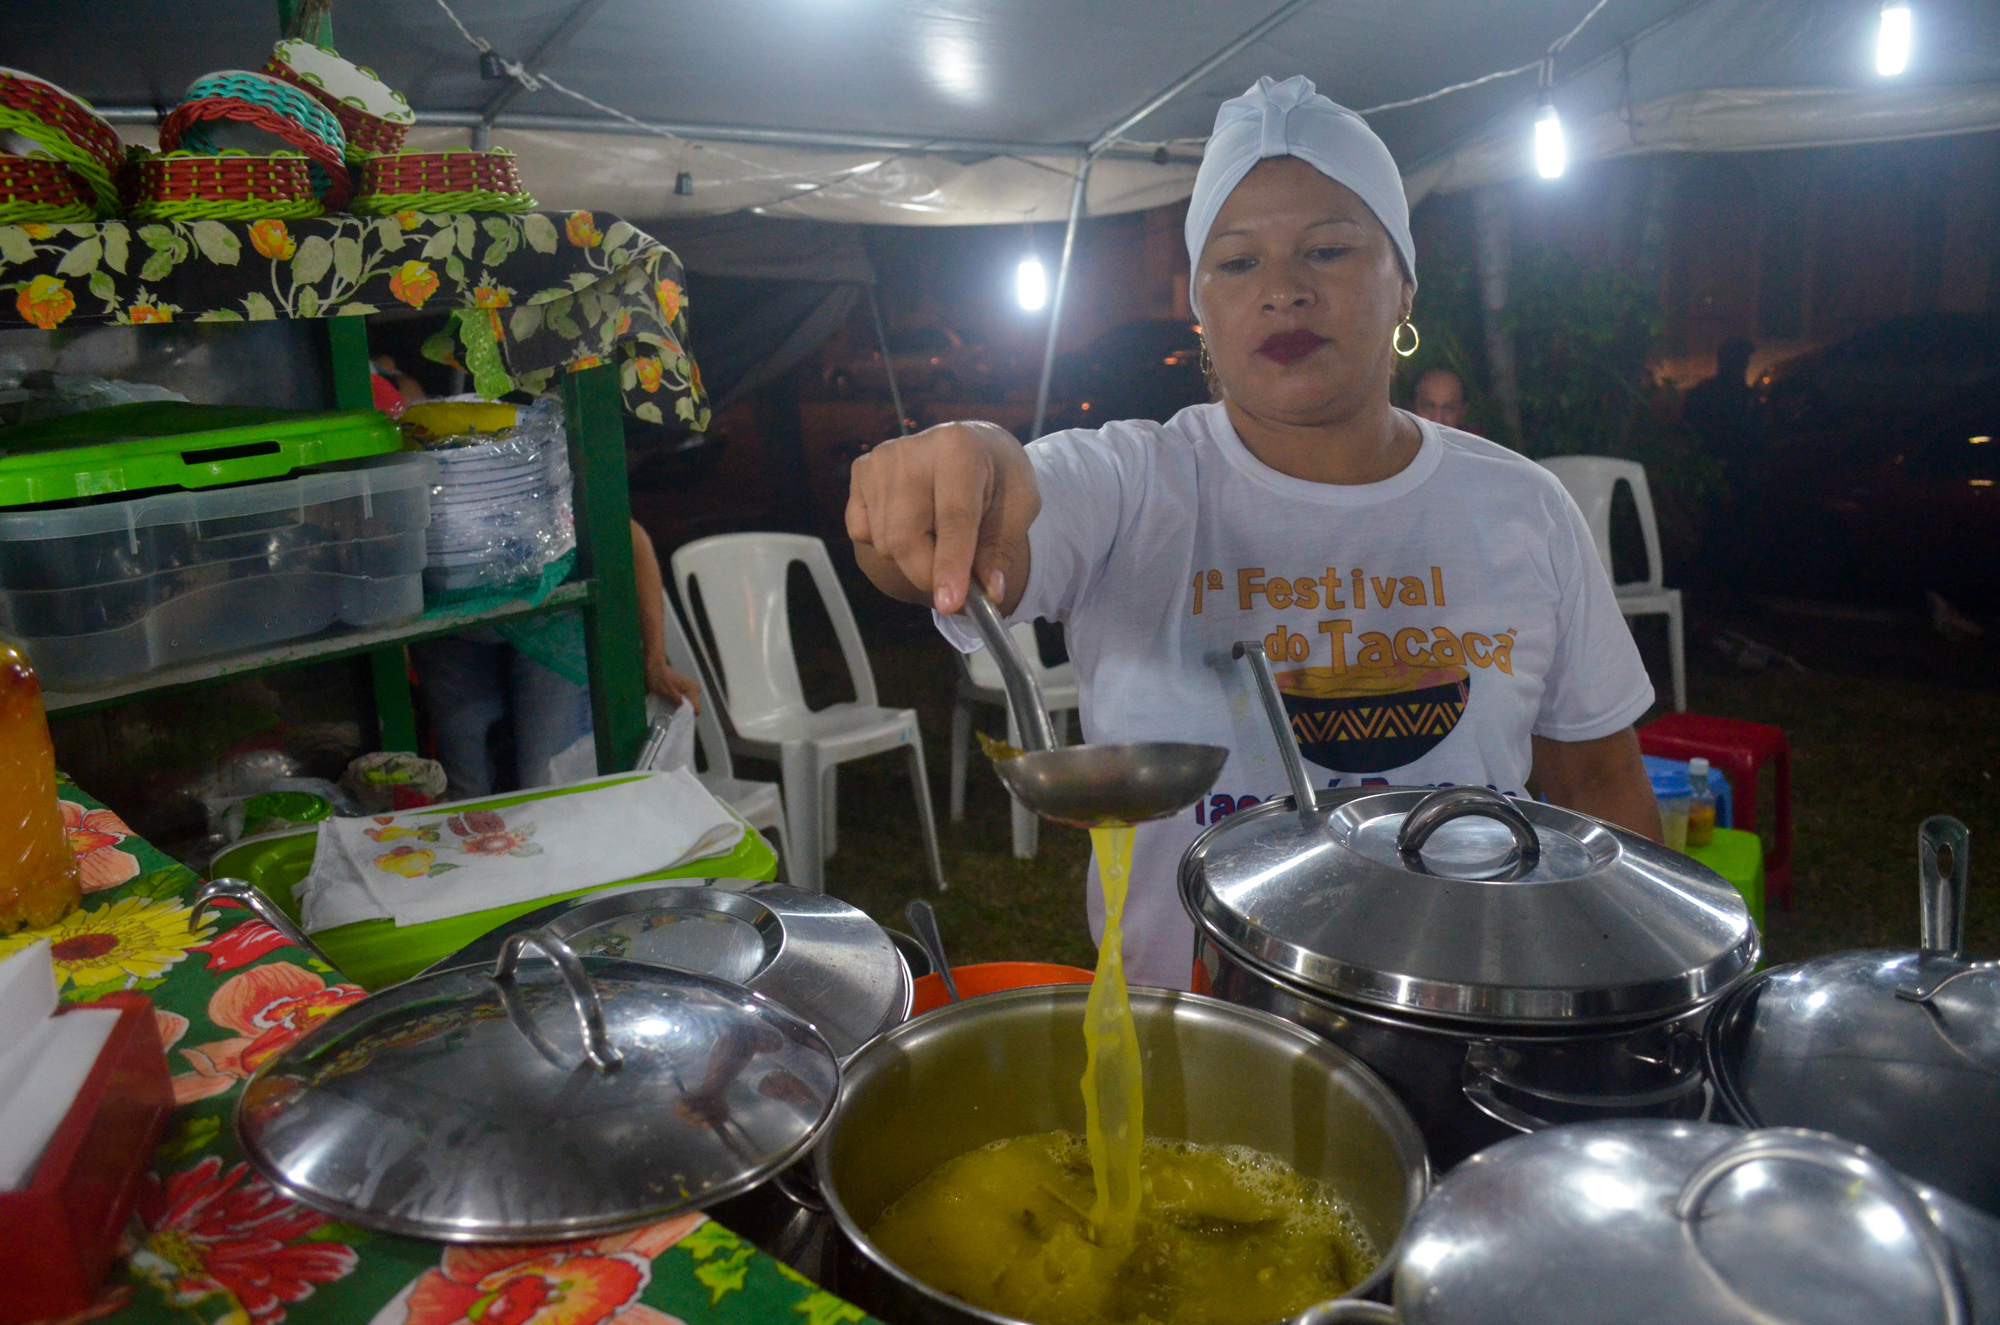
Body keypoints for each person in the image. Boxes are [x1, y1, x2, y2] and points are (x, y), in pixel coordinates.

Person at [846, 76, 1661, 990]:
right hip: (1191, 1038)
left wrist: (1637, 994)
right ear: (1202, 309)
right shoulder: (1139, 483)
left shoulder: (1523, 505)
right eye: (1237, 264)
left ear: (1403, 283)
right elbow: (987, 513)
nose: (1283, 290)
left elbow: (1597, 783)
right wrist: (940, 485)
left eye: (1329, 249)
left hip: (1464, 1022)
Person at [413, 517, 700, 799]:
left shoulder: (539, 493)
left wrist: (655, 663)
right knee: (469, 793)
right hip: (449, 621)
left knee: (549, 788)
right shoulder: (429, 504)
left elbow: (629, 536)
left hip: (552, 620)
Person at [1681, 337, 1763, 463]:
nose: (1745, 365)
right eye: (1742, 361)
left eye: (1745, 361)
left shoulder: (1746, 395)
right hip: (1715, 466)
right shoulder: (1708, 392)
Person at [1410, 366, 1469, 432]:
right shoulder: (1398, 440)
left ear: (1462, 412)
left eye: (1449, 410)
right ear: (1412, 407)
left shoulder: (1475, 441)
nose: (1437, 420)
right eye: (1427, 408)